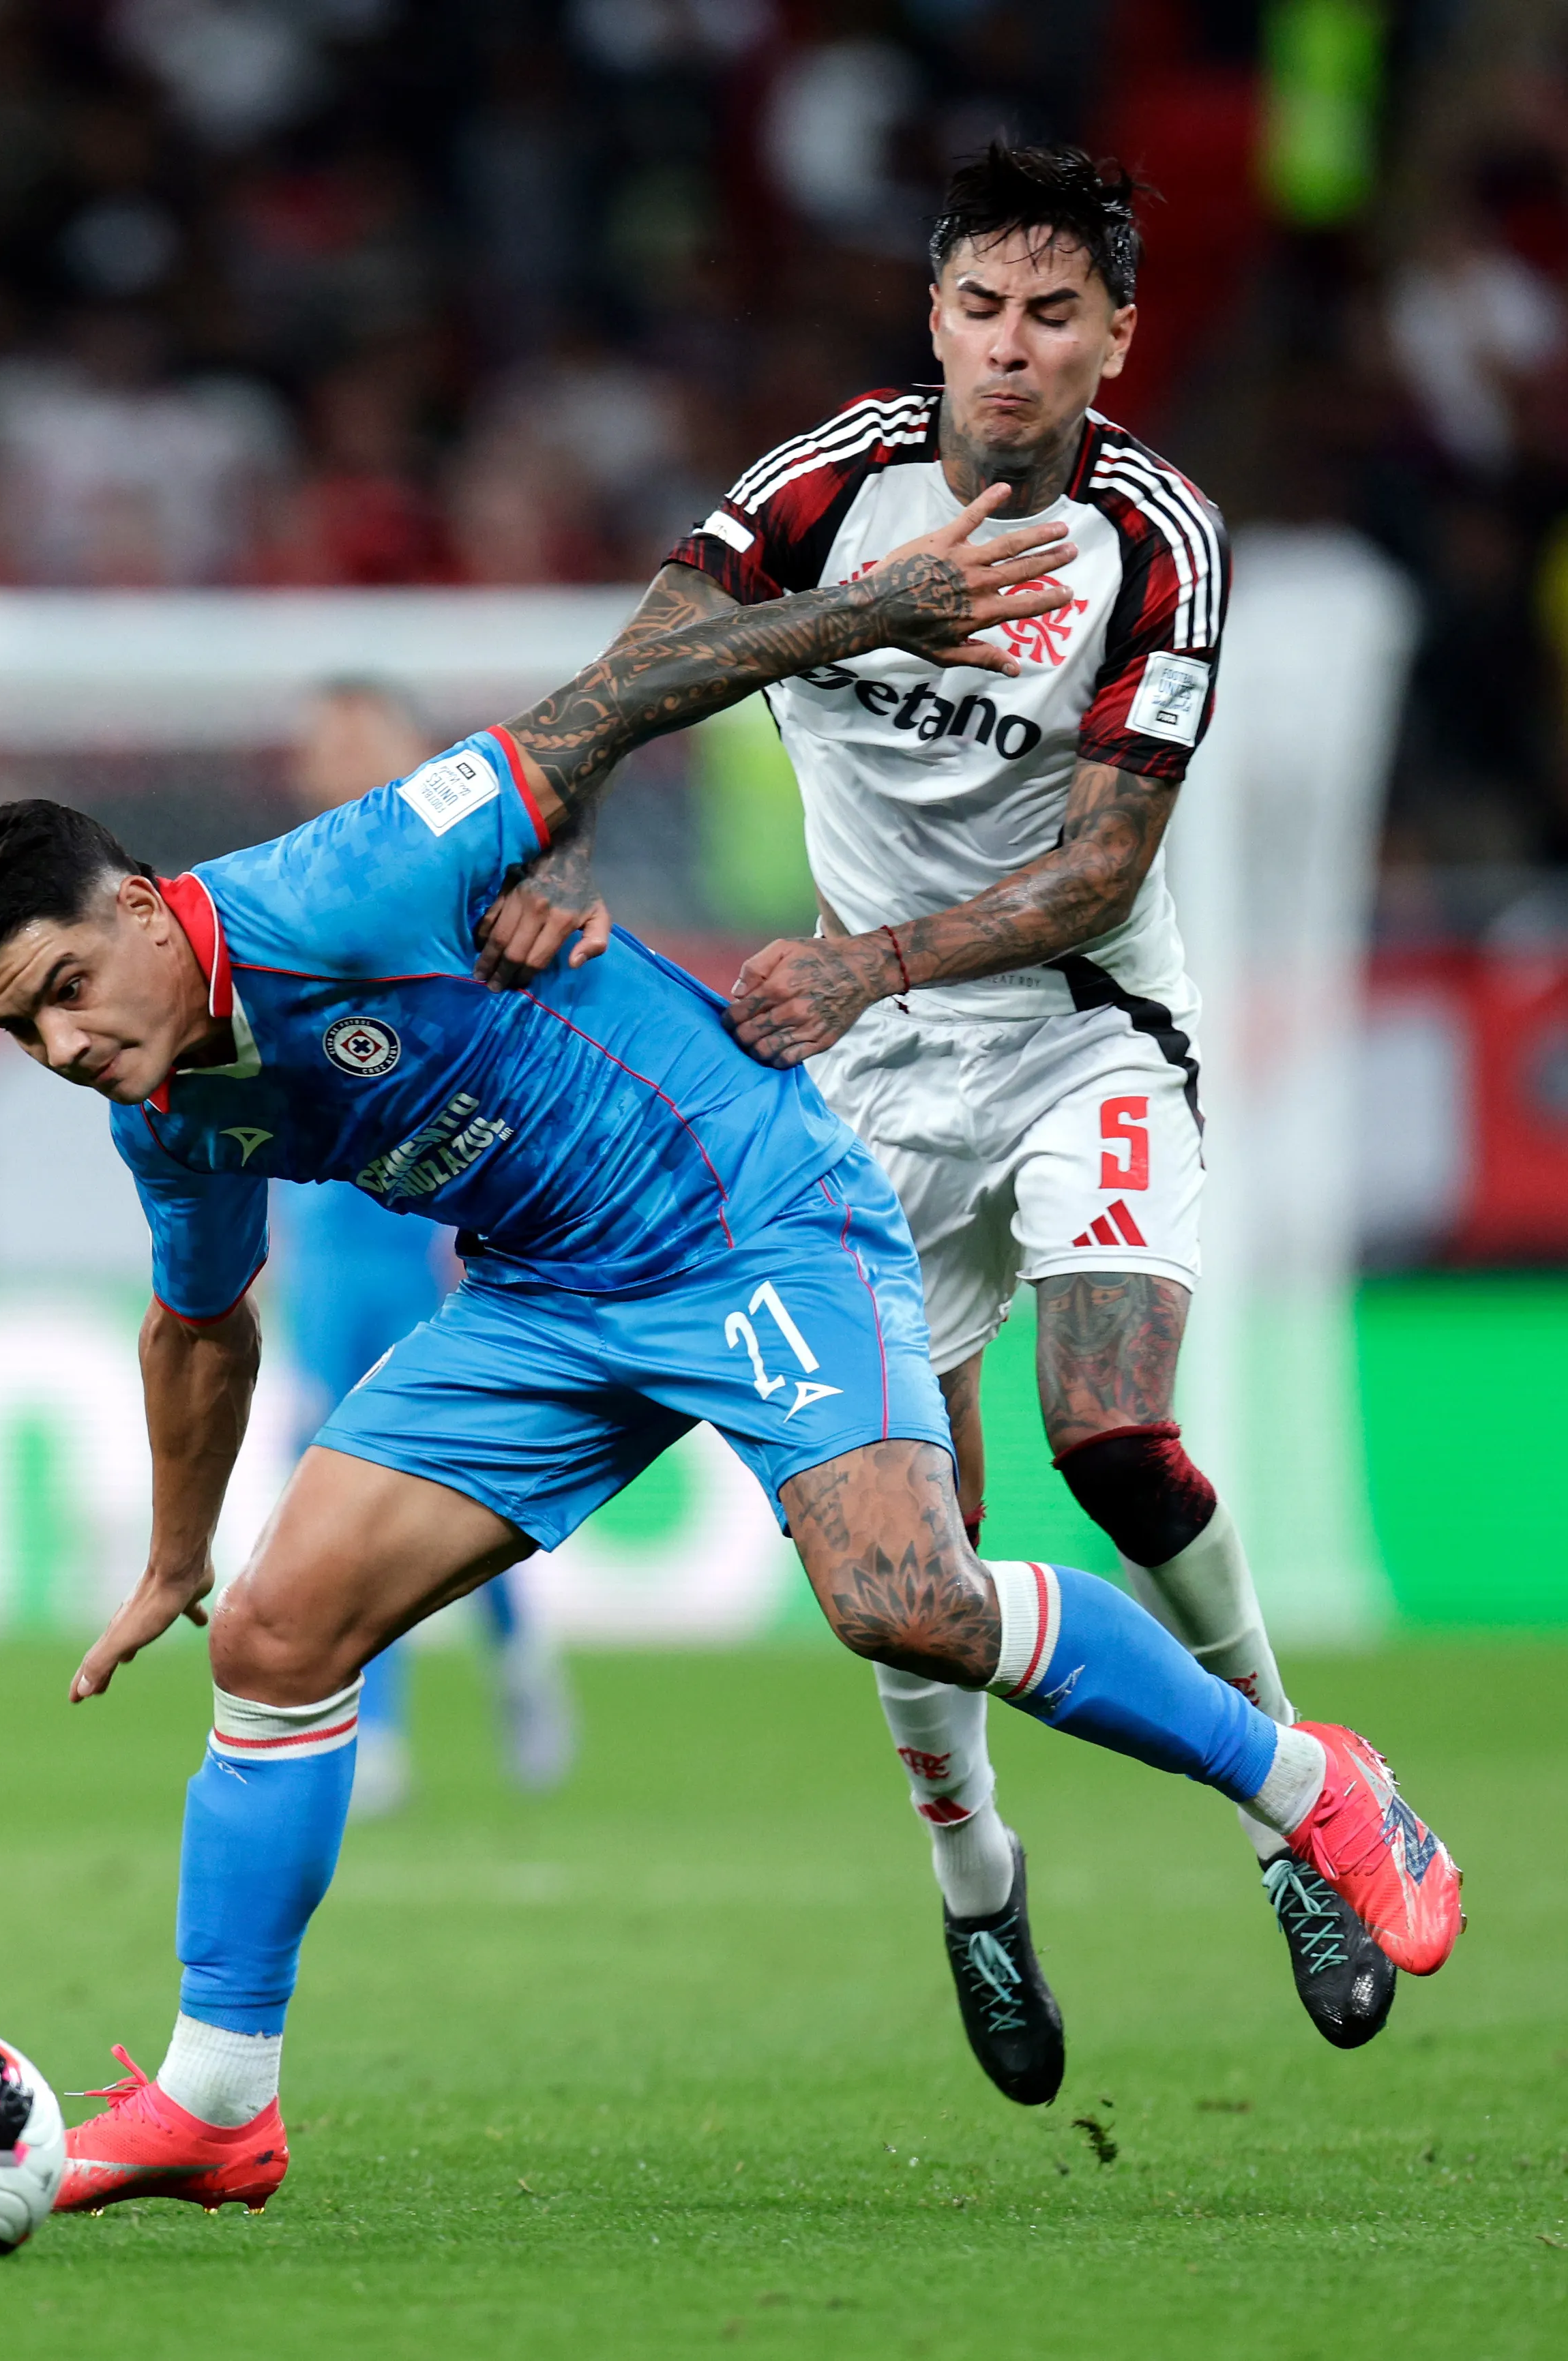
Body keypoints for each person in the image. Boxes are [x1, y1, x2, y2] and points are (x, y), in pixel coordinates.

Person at [0, 502, 1460, 2218]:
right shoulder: (169, 1113)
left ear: (138, 908)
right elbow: (199, 1325)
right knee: (276, 1633)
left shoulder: (345, 881)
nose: (62, 1044)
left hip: (744, 1209)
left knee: (904, 1603)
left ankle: (1317, 1781)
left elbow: (617, 703)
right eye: (18, 1029)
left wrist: (875, 602)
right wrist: (179, 1557)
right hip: (544, 1300)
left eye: (64, 989)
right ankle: (217, 2101)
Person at [529, 140, 1395, 2088]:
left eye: (1052, 318)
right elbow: (627, 679)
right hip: (872, 1076)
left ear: (1114, 341)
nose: (1010, 351)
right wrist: (566, 829)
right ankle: (976, 1874)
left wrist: (870, 960)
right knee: (909, 1554)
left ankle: (1297, 1804)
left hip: (1077, 1022)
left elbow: (1100, 868)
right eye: (980, 312)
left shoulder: (1159, 539)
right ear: (933, 321)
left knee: (1111, 1425)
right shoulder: (827, 487)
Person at [278, 681, 576, 1813]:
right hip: (328, 1260)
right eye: (325, 739)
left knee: (415, 1491)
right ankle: (386, 1723)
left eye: (359, 735)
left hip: (420, 1254)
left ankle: (494, 1665)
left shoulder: (452, 893)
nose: (337, 755)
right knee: (330, 1495)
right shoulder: (285, 895)